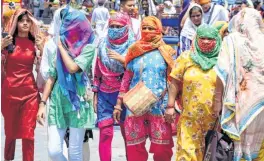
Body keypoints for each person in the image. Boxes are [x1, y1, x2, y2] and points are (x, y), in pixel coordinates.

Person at [36, 5, 95, 161]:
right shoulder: (56, 47)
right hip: (57, 102)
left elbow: (73, 67)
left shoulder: (88, 47)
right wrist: (42, 104)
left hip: (79, 102)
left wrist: (61, 47)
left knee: (75, 152)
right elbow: (51, 77)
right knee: (54, 151)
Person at [113, 16, 176, 161]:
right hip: (135, 106)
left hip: (160, 106)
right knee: (135, 148)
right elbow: (126, 79)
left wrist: (171, 105)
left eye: (151, 28)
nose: (147, 31)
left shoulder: (167, 52)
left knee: (162, 149)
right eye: (144, 28)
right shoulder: (134, 50)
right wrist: (118, 104)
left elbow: (173, 80)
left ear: (159, 30)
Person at [214, 8, 264, 161]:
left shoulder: (231, 41)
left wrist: (217, 102)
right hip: (261, 105)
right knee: (260, 144)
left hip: (238, 104)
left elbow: (222, 71)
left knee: (237, 142)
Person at [168, 24, 222, 161]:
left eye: (210, 39)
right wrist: (170, 106)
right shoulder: (186, 57)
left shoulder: (223, 61)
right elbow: (174, 81)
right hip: (189, 120)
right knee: (186, 156)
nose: (205, 42)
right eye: (202, 38)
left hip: (214, 122)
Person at [1, 9, 44, 161]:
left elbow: (45, 69)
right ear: (16, 22)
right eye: (21, 20)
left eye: (28, 20)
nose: (25, 23)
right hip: (10, 93)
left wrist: (43, 50)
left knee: (28, 134)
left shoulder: (36, 42)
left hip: (30, 94)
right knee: (10, 133)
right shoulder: (7, 43)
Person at [93, 12, 135, 161]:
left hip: (126, 95)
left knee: (128, 134)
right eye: (112, 26)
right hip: (104, 94)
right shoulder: (103, 44)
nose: (115, 29)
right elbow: (97, 72)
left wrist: (123, 60)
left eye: (119, 26)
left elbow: (136, 70)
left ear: (126, 27)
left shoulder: (133, 46)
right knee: (105, 133)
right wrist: (95, 94)